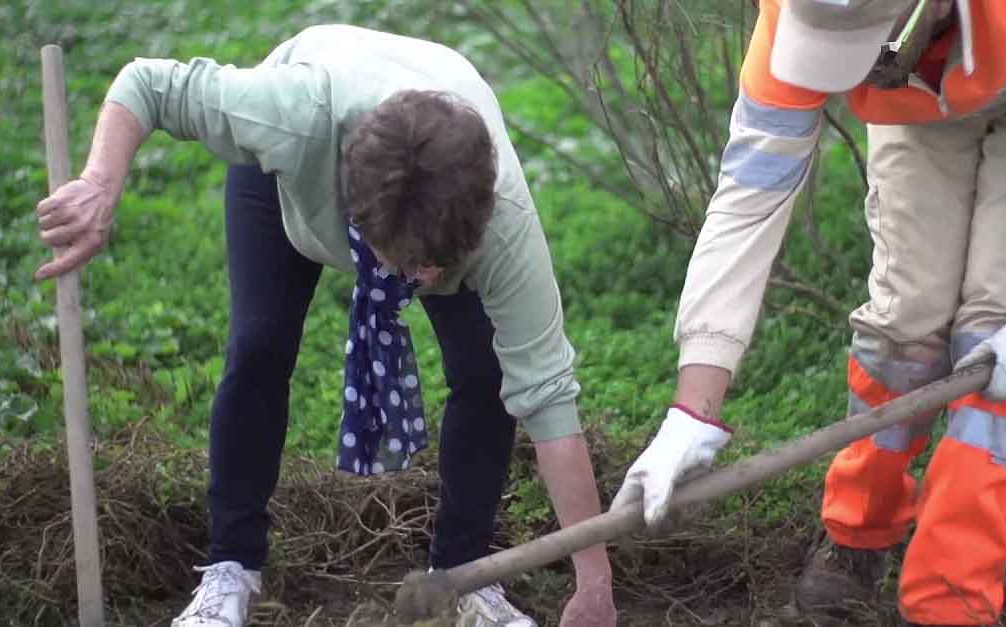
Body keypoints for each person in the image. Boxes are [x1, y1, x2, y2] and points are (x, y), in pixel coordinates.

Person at [612, 0, 1006, 625]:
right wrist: (692, 411)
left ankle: (951, 597)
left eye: (865, 47)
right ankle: (857, 534)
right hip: (914, 106)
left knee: (1000, 338)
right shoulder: (791, 19)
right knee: (904, 329)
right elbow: (750, 197)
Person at [34, 24, 618, 627]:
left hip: (438, 187)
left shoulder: (502, 222)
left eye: (434, 268)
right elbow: (149, 84)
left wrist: (595, 582)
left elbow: (550, 401)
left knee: (485, 372)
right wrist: (100, 184)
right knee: (259, 345)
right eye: (407, 264)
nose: (419, 279)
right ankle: (231, 565)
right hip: (299, 171)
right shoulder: (290, 116)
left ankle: (466, 575)